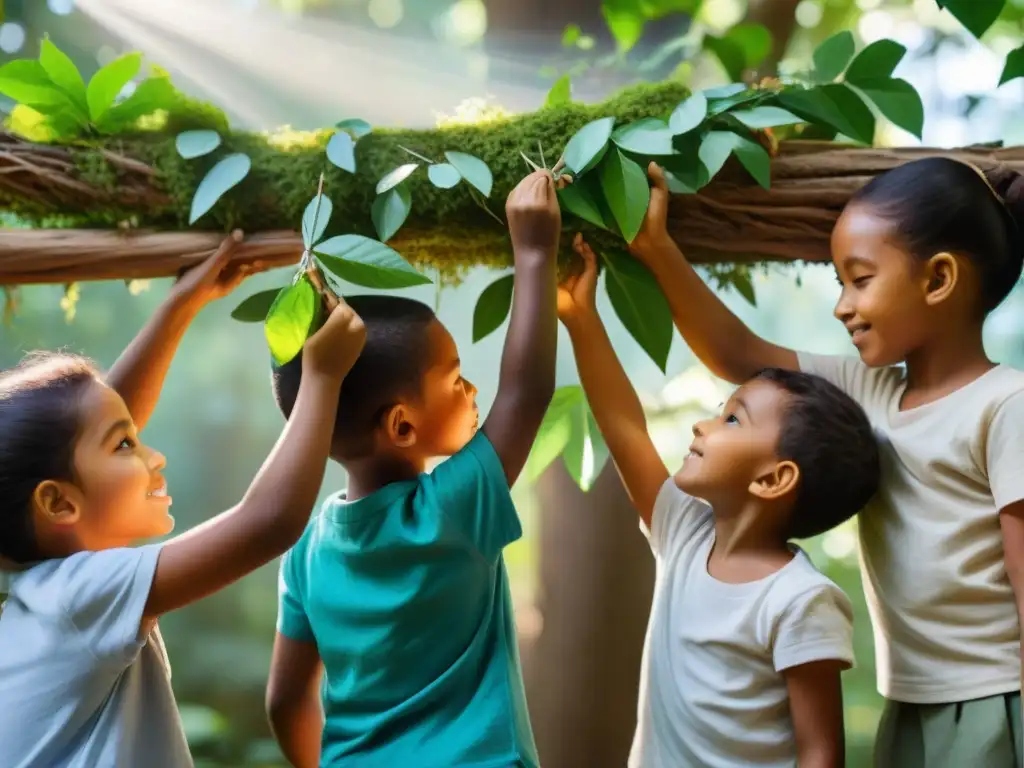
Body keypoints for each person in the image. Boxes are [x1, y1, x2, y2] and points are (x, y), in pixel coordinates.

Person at [631, 157, 1024, 766]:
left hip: (995, 698)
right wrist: (657, 250)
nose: (842, 305)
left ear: (939, 278)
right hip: (909, 700)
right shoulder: (869, 390)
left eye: (860, 280)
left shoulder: (1005, 406)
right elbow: (737, 353)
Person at [0, 233, 366, 768]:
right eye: (126, 445)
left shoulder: (38, 589)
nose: (155, 456)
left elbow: (82, 432)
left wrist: (180, 306)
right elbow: (268, 522)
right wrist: (323, 376)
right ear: (57, 505)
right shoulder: (77, 597)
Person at [264, 169, 562, 768]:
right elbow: (525, 394)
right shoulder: (452, 508)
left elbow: (285, 701)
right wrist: (535, 252)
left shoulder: (304, 552)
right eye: (455, 379)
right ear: (402, 426)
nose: (472, 390)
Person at [558, 233, 880, 767]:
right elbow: (623, 427)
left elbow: (821, 752)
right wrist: (580, 317)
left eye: (732, 419)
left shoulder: (800, 600)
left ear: (774, 479)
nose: (703, 426)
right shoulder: (683, 532)